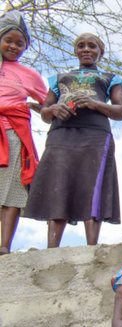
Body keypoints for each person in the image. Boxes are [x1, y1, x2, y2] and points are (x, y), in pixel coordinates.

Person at [25, 33, 122, 248]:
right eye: (81, 46)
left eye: (92, 46)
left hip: (96, 135)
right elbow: (44, 112)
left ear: (101, 52)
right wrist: (52, 109)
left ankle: (92, 246)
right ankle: (52, 248)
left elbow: (121, 111)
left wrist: (94, 103)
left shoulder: (110, 78)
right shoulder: (59, 78)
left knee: (94, 184)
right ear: (75, 51)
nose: (86, 49)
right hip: (61, 135)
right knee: (58, 183)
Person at [0, 11, 47, 255]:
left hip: (13, 135)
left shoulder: (29, 75)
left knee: (11, 192)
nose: (14, 46)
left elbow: (48, 102)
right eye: (9, 40)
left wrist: (38, 107)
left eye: (20, 43)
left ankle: (5, 246)